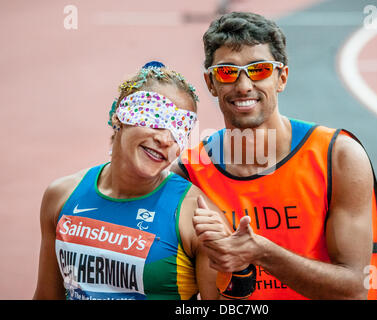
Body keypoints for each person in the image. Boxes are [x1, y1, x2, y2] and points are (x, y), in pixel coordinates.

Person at [172, 12, 377, 300]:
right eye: (227, 72)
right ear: (211, 83)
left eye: (258, 70)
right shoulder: (188, 172)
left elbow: (354, 290)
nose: (244, 85)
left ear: (281, 77)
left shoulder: (337, 157)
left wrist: (262, 253)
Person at [33, 61, 252, 300]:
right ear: (118, 117)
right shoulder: (61, 195)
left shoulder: (196, 216)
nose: (167, 139)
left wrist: (239, 269)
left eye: (180, 129)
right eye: (156, 119)